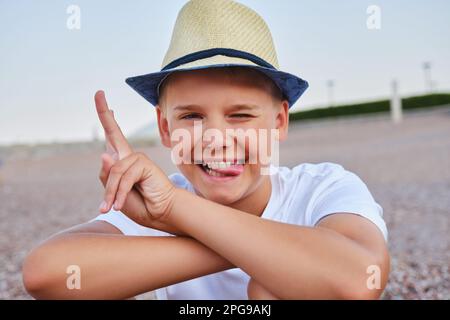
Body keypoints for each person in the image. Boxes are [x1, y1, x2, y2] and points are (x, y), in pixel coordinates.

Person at [22, 0, 390, 299]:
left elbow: (358, 280)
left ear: (279, 122)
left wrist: (176, 210)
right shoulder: (152, 208)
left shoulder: (321, 188)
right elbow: (45, 274)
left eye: (241, 115)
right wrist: (239, 247)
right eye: (192, 116)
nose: (215, 137)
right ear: (165, 127)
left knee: (271, 291)